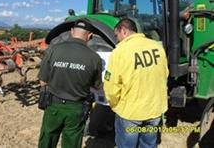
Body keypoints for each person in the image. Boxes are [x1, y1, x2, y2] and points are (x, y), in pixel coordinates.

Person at [37, 18, 102, 148]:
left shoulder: (53, 50)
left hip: (53, 106)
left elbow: (43, 81)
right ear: (90, 36)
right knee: (72, 143)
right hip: (76, 109)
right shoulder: (94, 58)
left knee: (47, 141)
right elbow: (97, 86)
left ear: (72, 31)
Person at [104, 18, 169, 148]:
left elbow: (111, 87)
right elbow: (165, 74)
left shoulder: (120, 52)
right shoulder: (157, 47)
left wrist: (114, 104)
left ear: (123, 31)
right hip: (155, 109)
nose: (117, 39)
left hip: (130, 112)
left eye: (116, 35)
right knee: (149, 145)